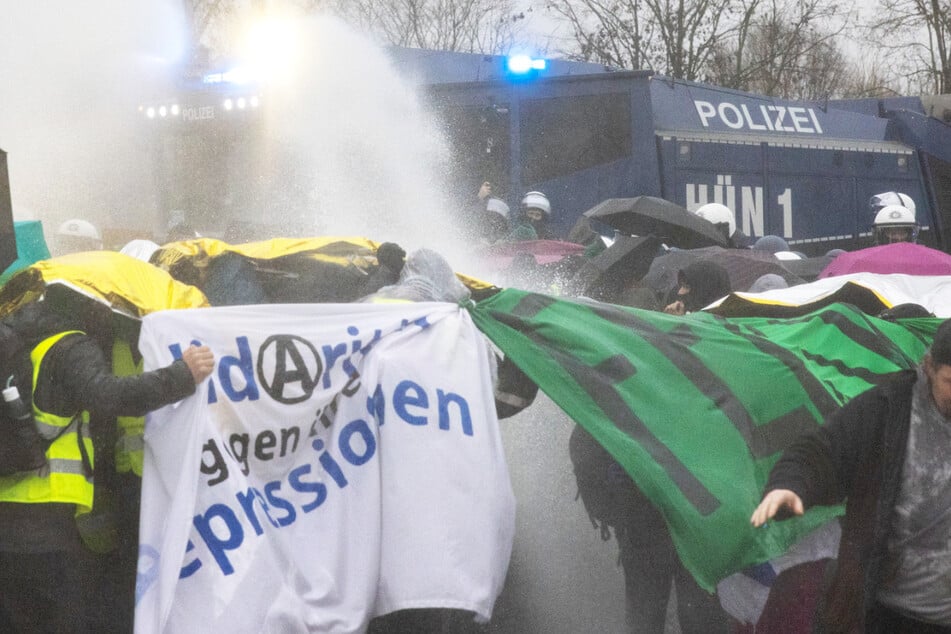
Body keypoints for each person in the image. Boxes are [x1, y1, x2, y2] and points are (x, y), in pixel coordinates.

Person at [0, 299, 215, 633]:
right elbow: (109, 396)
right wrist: (181, 375)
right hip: (48, 520)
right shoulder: (68, 344)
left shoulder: (14, 344)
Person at [750, 317, 951, 632]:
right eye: (950, 381)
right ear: (928, 366)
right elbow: (823, 451)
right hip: (883, 613)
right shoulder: (888, 410)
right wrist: (790, 485)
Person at [663, 261, 732, 315]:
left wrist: (679, 322)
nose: (680, 292)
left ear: (704, 291)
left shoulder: (724, 324)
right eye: (682, 286)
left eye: (687, 287)